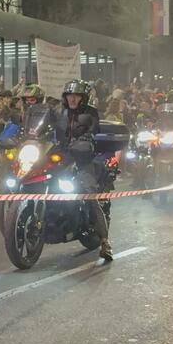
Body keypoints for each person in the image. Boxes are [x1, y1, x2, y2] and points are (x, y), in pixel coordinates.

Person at [51, 79, 112, 261]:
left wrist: (86, 138)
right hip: (62, 156)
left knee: (89, 194)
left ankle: (105, 242)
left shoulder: (90, 113)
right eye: (70, 95)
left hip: (83, 158)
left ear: (83, 98)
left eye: (76, 96)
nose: (72, 99)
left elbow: (93, 130)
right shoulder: (59, 112)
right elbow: (45, 127)